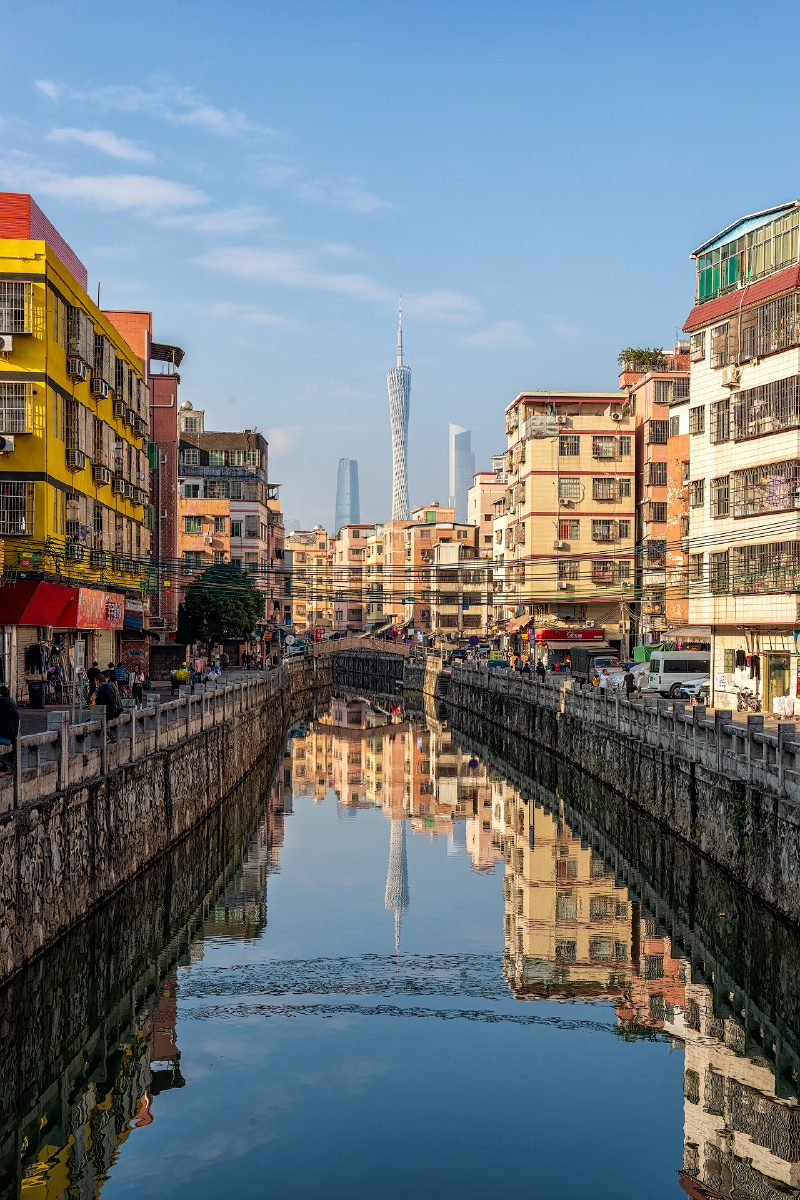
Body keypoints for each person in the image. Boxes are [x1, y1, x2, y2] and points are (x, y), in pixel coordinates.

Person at [96, 673, 123, 741]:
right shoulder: (108, 687)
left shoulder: (102, 690)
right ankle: (108, 734)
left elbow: (99, 703)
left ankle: (106, 735)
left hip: (109, 713)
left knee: (92, 723)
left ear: (98, 681)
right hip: (114, 711)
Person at [0, 685, 19, 775]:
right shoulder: (11, 702)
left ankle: (2, 766)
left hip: (4, 737)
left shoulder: (1, 702)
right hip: (11, 737)